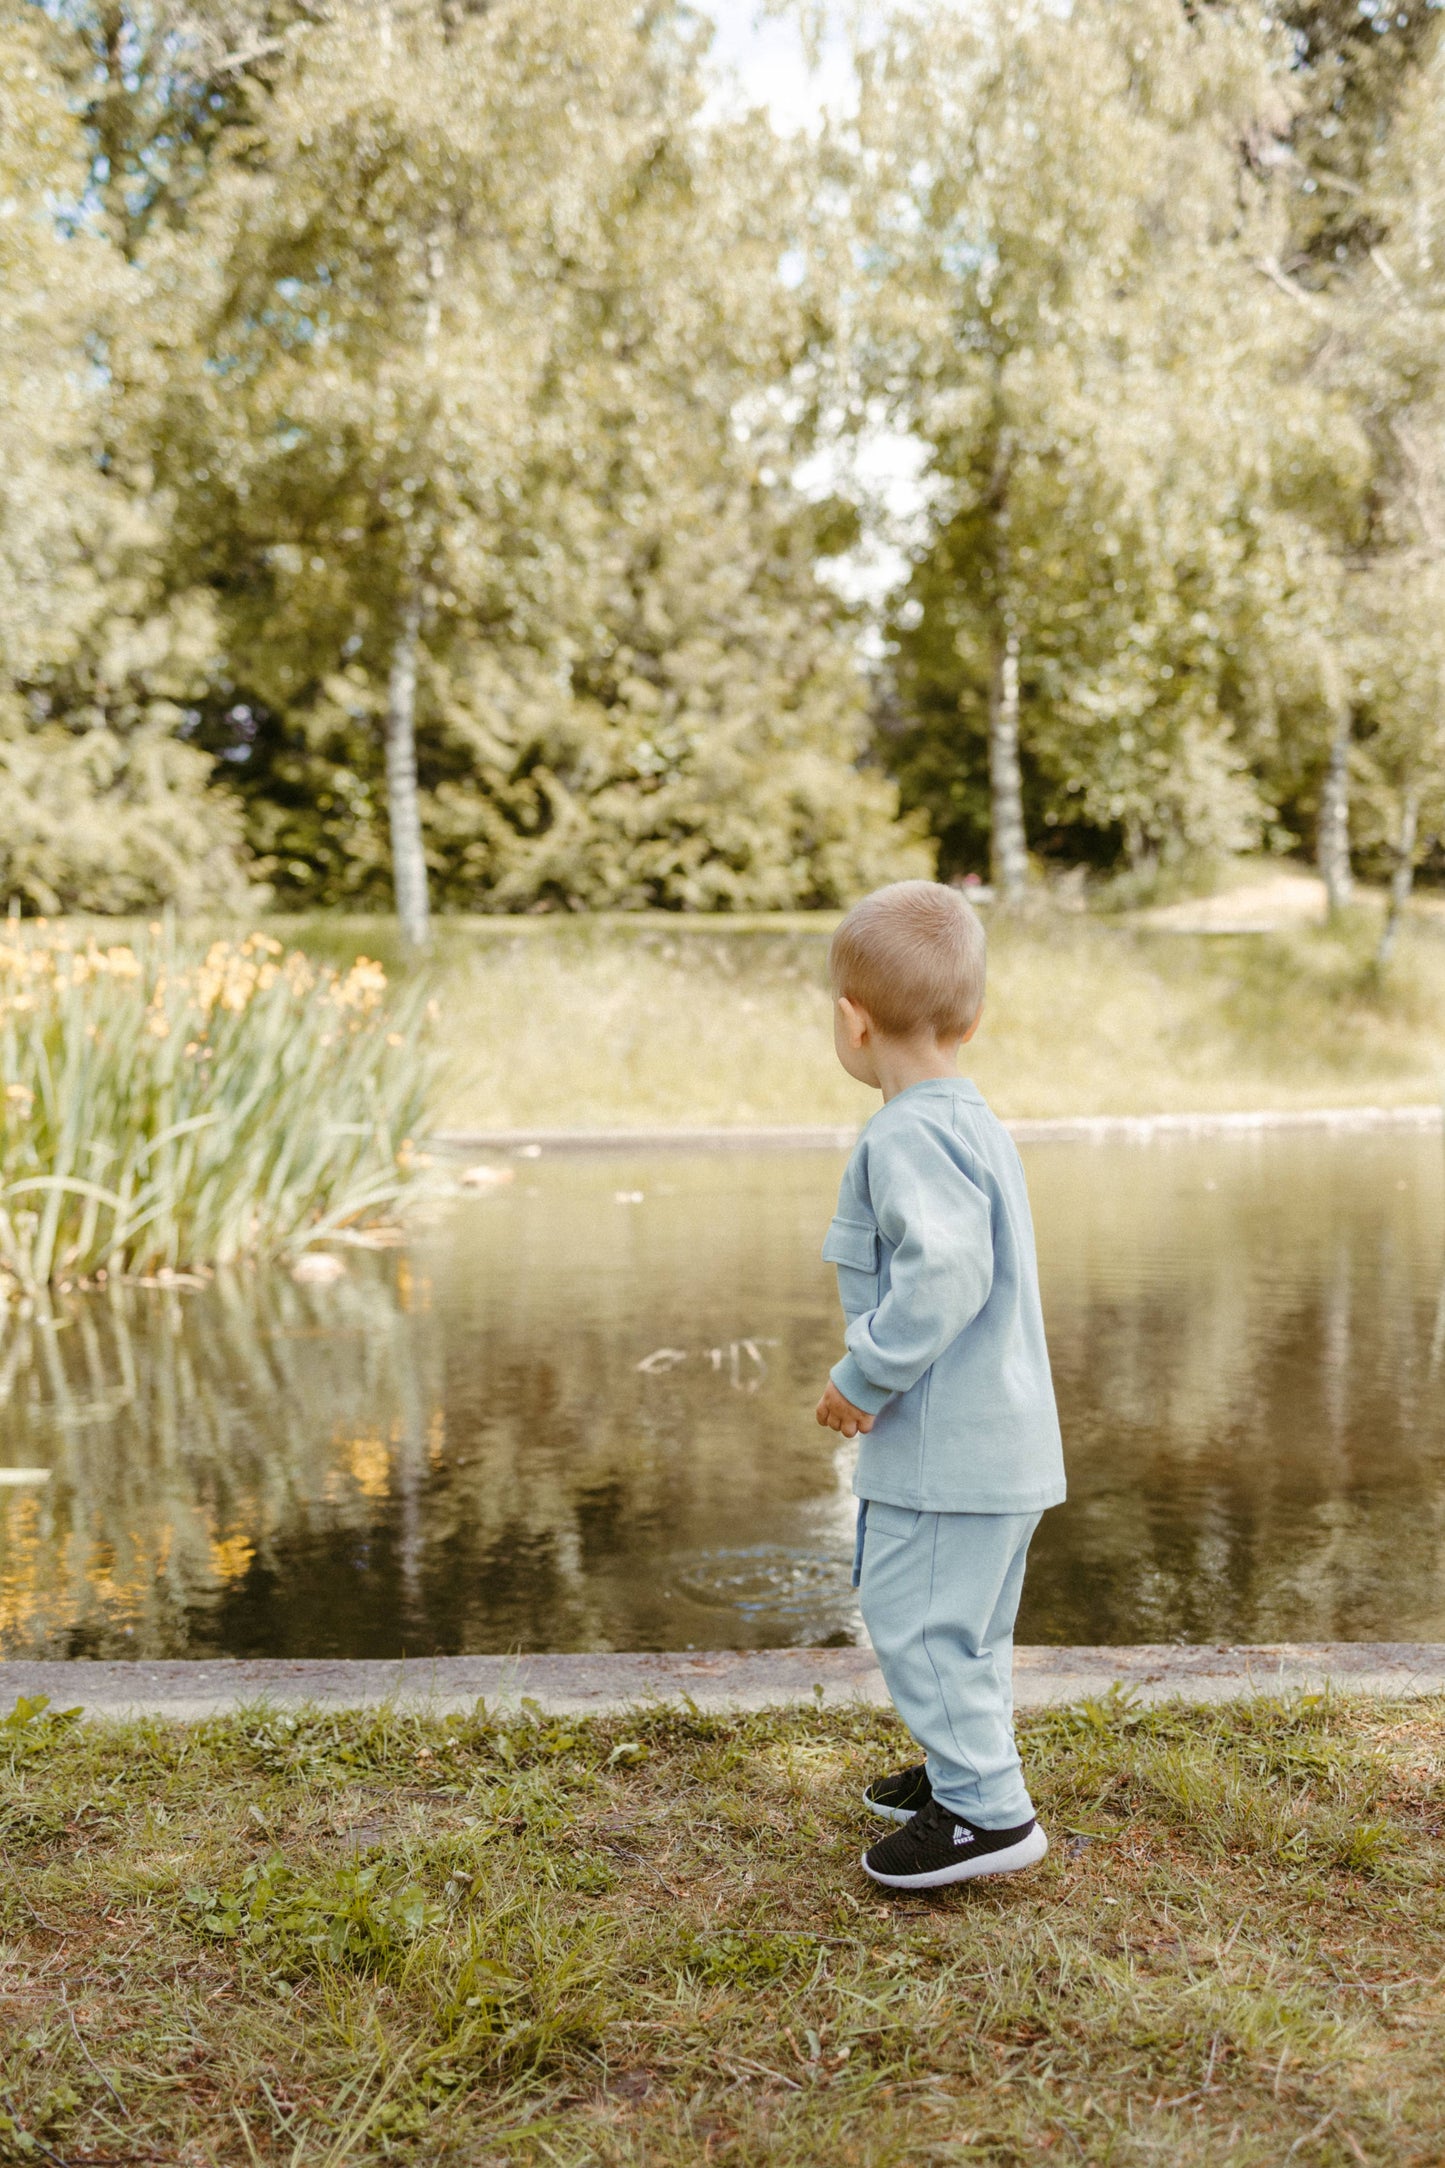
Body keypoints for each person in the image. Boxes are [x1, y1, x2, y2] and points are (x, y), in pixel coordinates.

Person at [815, 880, 1066, 1890]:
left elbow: (944, 1277)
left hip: (944, 1448)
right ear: (970, 1018)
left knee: (912, 1614)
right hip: (998, 1444)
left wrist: (860, 1373)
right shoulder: (968, 1118)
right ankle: (960, 1766)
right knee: (958, 1624)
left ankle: (988, 1815)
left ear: (850, 1019)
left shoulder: (903, 1133)